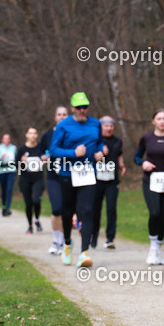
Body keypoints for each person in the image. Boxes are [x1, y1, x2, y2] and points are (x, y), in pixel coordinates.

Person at [49, 92, 102, 268]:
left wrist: (101, 152)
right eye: (78, 107)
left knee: (87, 211)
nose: (81, 110)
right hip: (67, 174)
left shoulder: (95, 124)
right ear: (72, 108)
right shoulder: (63, 126)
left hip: (88, 173)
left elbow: (99, 143)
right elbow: (54, 151)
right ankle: (66, 243)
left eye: (84, 107)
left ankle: (84, 253)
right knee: (67, 211)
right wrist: (72, 153)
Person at [134, 109, 164, 265]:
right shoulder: (146, 138)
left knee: (163, 216)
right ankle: (153, 247)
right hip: (150, 180)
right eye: (158, 118)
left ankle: (159, 249)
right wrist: (143, 163)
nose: (161, 121)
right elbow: (136, 157)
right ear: (153, 121)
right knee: (155, 213)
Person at [91, 116, 125, 249]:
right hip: (96, 180)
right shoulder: (95, 140)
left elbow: (119, 154)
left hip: (112, 180)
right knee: (95, 209)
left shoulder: (118, 141)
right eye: (106, 126)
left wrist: (122, 165)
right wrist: (98, 153)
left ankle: (110, 239)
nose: (109, 128)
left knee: (111, 209)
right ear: (100, 127)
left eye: (111, 126)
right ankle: (93, 236)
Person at [40, 106, 70, 255]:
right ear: (55, 117)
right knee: (56, 209)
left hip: (69, 175)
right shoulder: (47, 135)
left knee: (66, 210)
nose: (62, 117)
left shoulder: (72, 133)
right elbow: (41, 154)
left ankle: (65, 241)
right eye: (59, 114)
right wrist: (43, 158)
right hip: (53, 176)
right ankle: (55, 240)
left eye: (65, 114)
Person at [18, 127, 45, 233]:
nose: (33, 135)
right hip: (25, 179)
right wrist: (22, 162)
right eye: (31, 133)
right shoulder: (22, 149)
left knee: (36, 201)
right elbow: (16, 165)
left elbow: (46, 157)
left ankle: (37, 219)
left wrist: (45, 162)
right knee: (28, 204)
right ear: (27, 135)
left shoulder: (40, 148)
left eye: (35, 133)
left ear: (37, 135)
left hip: (38, 178)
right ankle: (30, 225)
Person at [0, 133, 18, 216]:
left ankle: (8, 207)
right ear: (2, 139)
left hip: (11, 170)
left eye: (8, 138)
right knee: (3, 189)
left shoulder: (13, 148)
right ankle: (4, 206)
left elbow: (16, 158)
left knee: (9, 189)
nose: (7, 140)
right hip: (2, 170)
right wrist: (1, 157)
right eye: (5, 138)